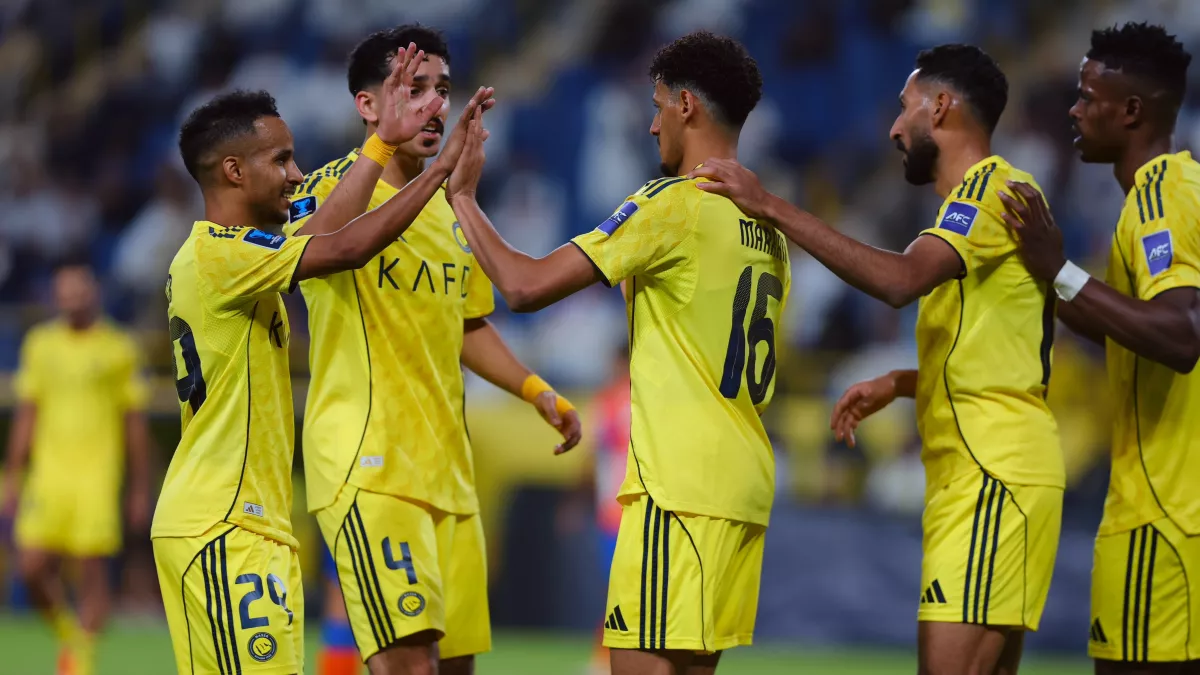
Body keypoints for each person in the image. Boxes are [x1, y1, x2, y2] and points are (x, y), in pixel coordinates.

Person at [689, 44, 1064, 675]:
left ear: (940, 107)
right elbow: (1009, 351)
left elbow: (899, 281)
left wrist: (771, 206)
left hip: (993, 472)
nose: (893, 127)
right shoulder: (982, 203)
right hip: (988, 468)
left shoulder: (990, 192)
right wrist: (904, 381)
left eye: (904, 106)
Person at [448, 31, 788, 675]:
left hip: (678, 486)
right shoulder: (767, 226)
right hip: (741, 482)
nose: (653, 124)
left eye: (658, 107)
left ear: (686, 105)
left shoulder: (671, 205)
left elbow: (523, 286)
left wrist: (462, 196)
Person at [151, 43, 494, 675]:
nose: (295, 174)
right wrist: (435, 170)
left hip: (251, 518)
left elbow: (326, 232)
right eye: (281, 159)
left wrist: (386, 148)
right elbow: (344, 247)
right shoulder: (220, 256)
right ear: (233, 171)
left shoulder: (240, 253)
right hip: (221, 519)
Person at [285, 24, 580, 675]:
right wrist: (395, 153)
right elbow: (305, 252)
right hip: (368, 462)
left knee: (453, 668)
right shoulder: (327, 188)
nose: (435, 105)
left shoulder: (450, 212)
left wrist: (536, 390)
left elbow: (468, 323)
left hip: (448, 469)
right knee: (410, 664)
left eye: (442, 89)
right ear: (368, 104)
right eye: (412, 88)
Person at [997, 23, 1200, 674]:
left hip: (1162, 516)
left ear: (1131, 109)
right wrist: (1045, 282)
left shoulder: (1161, 195)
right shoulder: (1181, 189)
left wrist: (1058, 270)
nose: (1074, 110)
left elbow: (1180, 334)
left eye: (1087, 97)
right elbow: (1137, 326)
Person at [2, 261, 151, 675]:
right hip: (48, 475)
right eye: (64, 292)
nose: (72, 299)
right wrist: (13, 475)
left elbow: (134, 422)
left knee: (91, 572)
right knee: (31, 567)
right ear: (55, 297)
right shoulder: (41, 345)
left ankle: (81, 660)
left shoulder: (118, 348)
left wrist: (139, 488)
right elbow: (27, 414)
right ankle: (72, 636)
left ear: (93, 293)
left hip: (97, 476)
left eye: (79, 291)